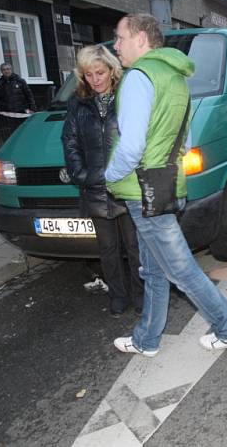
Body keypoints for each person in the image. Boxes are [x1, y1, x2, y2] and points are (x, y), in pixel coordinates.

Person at [105, 13, 227, 357]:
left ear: (141, 39)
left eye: (120, 38)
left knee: (181, 269)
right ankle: (147, 340)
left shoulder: (139, 77)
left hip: (143, 189)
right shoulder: (175, 76)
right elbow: (185, 140)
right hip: (168, 184)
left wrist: (108, 175)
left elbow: (132, 144)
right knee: (153, 270)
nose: (115, 46)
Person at [61, 45, 144, 318]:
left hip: (126, 186)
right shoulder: (77, 102)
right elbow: (70, 142)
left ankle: (141, 295)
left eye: (100, 72)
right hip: (95, 187)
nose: (95, 79)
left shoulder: (126, 96)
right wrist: (82, 175)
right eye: (88, 74)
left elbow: (139, 136)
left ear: (111, 70)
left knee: (135, 247)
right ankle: (118, 296)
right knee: (107, 250)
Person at [0, 63, 36, 130]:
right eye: (4, 70)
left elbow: (29, 95)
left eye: (8, 69)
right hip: (9, 114)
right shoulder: (0, 84)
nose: (6, 71)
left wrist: (32, 108)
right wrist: (5, 107)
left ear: (11, 69)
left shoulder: (20, 81)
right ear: (1, 71)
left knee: (25, 130)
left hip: (22, 112)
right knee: (13, 132)